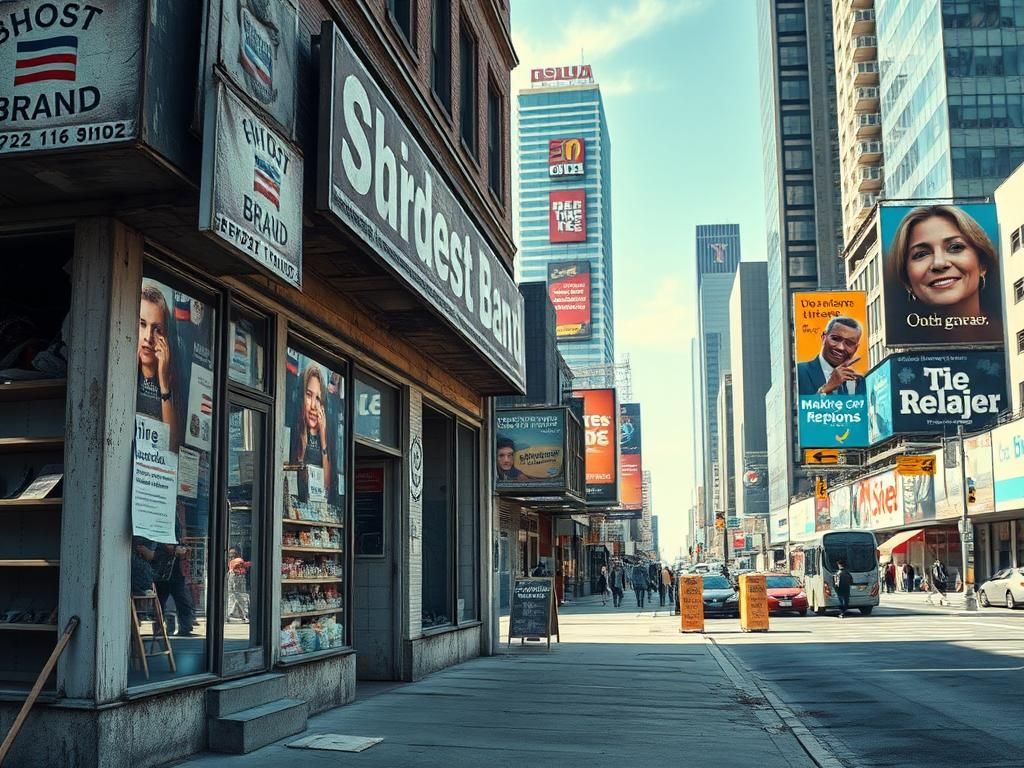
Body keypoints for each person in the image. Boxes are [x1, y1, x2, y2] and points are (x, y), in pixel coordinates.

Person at [885, 204, 1002, 344]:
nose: (939, 263)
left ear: (982, 263)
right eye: (921, 254)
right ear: (906, 280)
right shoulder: (901, 348)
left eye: (955, 247)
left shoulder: (1010, 336)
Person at [137, 283, 180, 450]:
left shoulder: (171, 379)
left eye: (157, 329)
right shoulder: (123, 371)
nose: (148, 337)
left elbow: (172, 445)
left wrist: (163, 383)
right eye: (142, 324)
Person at [796, 316, 866, 396]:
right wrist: (826, 389)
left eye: (849, 343)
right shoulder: (800, 372)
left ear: (855, 348)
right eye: (835, 339)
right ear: (824, 338)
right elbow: (794, 403)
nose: (841, 347)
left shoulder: (860, 381)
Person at [291, 363, 332, 497]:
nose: (314, 406)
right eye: (309, 395)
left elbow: (327, 487)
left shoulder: (327, 437)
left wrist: (323, 437)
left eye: (318, 398)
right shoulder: (293, 430)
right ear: (301, 397)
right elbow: (293, 480)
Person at [226, 548, 251, 622]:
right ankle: (236, 615)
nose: (231, 556)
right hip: (234, 585)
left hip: (238, 584)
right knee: (235, 599)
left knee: (240, 599)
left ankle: (242, 615)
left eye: (233, 554)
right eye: (230, 554)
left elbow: (239, 564)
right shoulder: (234, 562)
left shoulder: (237, 561)